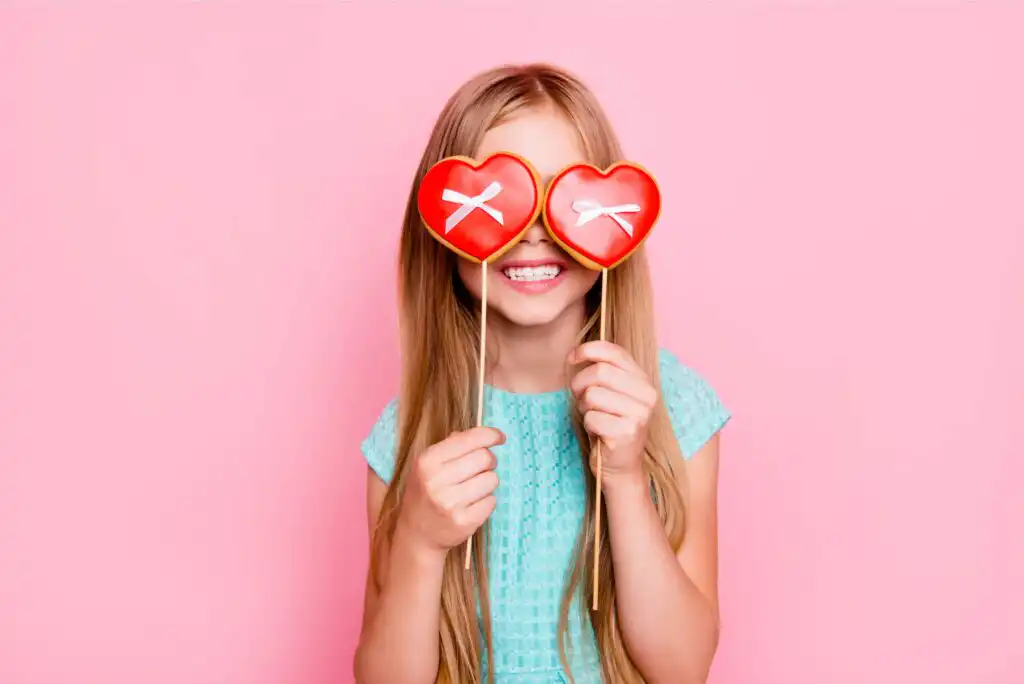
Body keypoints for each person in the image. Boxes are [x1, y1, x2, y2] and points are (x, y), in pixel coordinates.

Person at [354, 63, 731, 684]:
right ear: (444, 232)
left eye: (565, 198)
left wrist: (628, 480)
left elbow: (684, 667)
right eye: (502, 199)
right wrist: (419, 546)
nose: (531, 232)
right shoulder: (406, 438)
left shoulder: (674, 409)